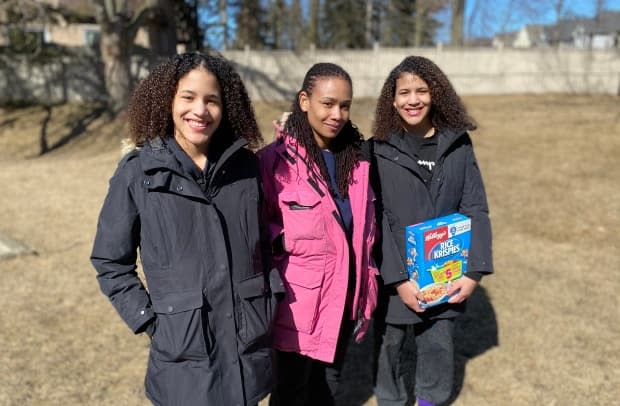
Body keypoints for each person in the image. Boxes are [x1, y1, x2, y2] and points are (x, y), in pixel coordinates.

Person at [90, 52, 282, 406]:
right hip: (184, 360)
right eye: (188, 97)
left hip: (247, 351)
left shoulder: (246, 168)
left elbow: (262, 247)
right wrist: (152, 322)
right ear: (167, 101)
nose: (200, 110)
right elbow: (110, 262)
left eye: (212, 100)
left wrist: (268, 297)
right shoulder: (138, 173)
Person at [370, 55, 494, 406]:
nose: (413, 99)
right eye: (404, 92)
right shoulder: (377, 148)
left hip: (445, 274)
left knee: (438, 348)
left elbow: (475, 209)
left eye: (422, 90)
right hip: (395, 277)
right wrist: (398, 280)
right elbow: (374, 218)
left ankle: (430, 401)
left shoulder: (457, 145)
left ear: (435, 94)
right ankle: (390, 400)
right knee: (388, 349)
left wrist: (473, 272)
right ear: (391, 100)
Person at [257, 62, 379, 406]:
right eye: (328, 103)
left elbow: (365, 235)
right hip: (297, 307)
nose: (337, 114)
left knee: (329, 388)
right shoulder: (273, 162)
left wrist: (366, 287)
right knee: (290, 392)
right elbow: (256, 230)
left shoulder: (358, 163)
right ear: (305, 100)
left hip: (344, 301)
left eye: (344, 105)